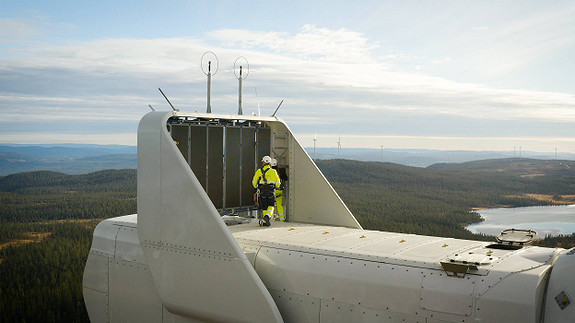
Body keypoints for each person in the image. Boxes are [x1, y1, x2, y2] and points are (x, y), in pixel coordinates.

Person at [252, 156, 280, 226]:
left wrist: (255, 187)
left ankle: (266, 221)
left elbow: (254, 182)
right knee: (271, 205)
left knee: (264, 206)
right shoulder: (273, 171)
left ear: (263, 162)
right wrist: (277, 187)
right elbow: (278, 183)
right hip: (270, 191)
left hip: (262, 190)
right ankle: (267, 217)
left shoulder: (259, 171)